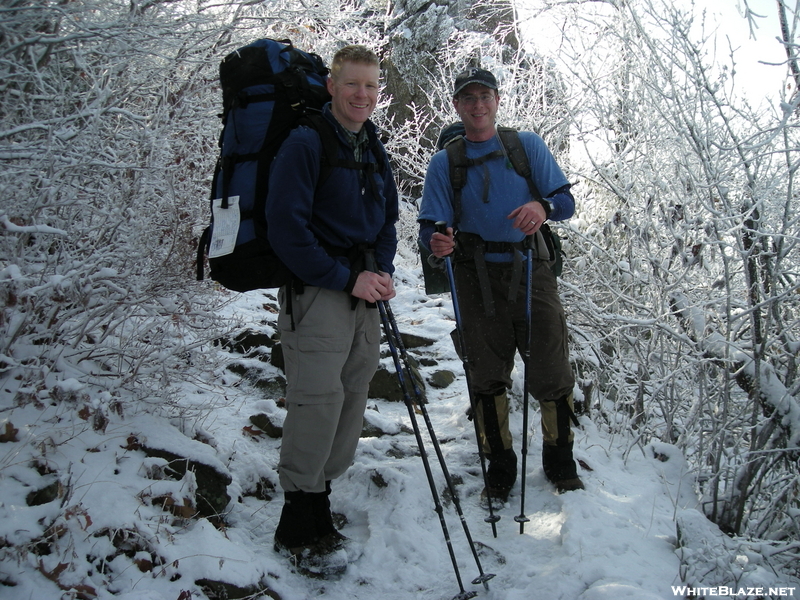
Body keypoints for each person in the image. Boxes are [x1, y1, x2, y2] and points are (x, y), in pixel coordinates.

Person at [417, 67, 583, 502]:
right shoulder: (444, 162)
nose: (477, 104)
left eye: (484, 95)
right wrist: (437, 241)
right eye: (468, 97)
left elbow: (565, 201)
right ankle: (500, 462)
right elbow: (429, 228)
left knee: (551, 364)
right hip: (474, 277)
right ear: (457, 104)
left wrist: (542, 207)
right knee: (486, 373)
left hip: (531, 268)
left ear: (496, 99)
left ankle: (559, 456)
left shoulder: (525, 146)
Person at [265, 45, 398, 573]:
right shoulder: (305, 143)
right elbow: (287, 232)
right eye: (352, 85)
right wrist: (348, 277)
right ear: (331, 86)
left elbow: (387, 218)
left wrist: (381, 269)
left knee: (351, 397)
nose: (362, 95)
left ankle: (319, 504)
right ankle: (296, 523)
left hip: (364, 293)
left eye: (370, 86)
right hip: (319, 292)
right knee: (316, 400)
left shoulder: (373, 144)